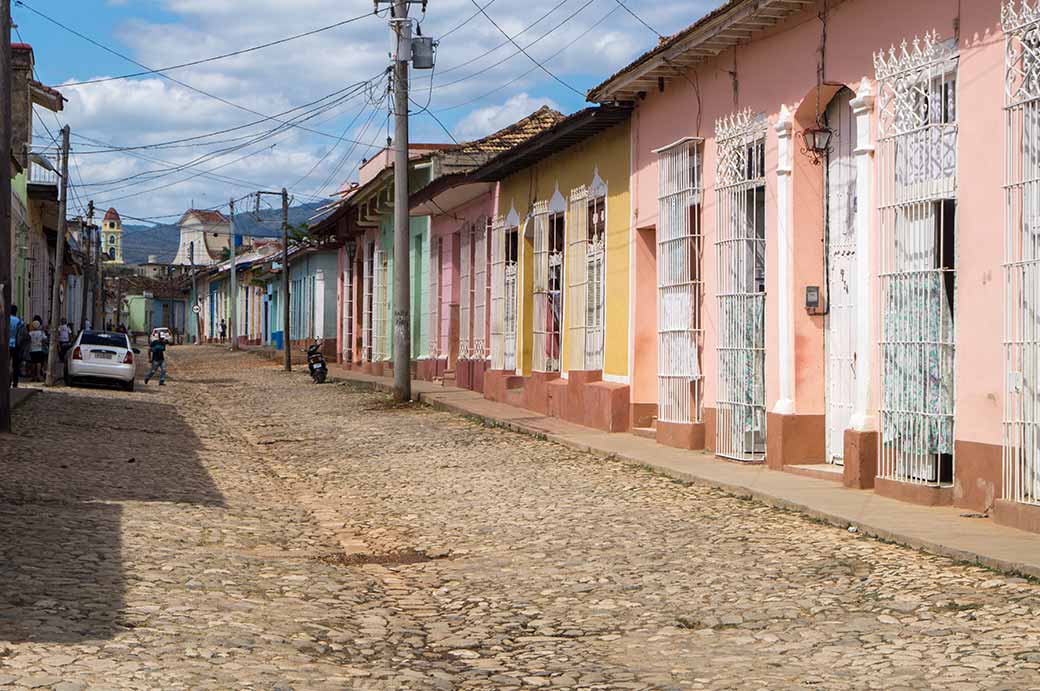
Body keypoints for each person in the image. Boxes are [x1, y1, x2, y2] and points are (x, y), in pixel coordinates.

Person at [8, 305, 27, 388]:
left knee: (5, 364)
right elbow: (24, 335)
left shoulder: (5, 319)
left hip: (5, 345)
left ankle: (6, 381)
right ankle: (15, 383)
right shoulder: (20, 321)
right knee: (15, 366)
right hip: (16, 345)